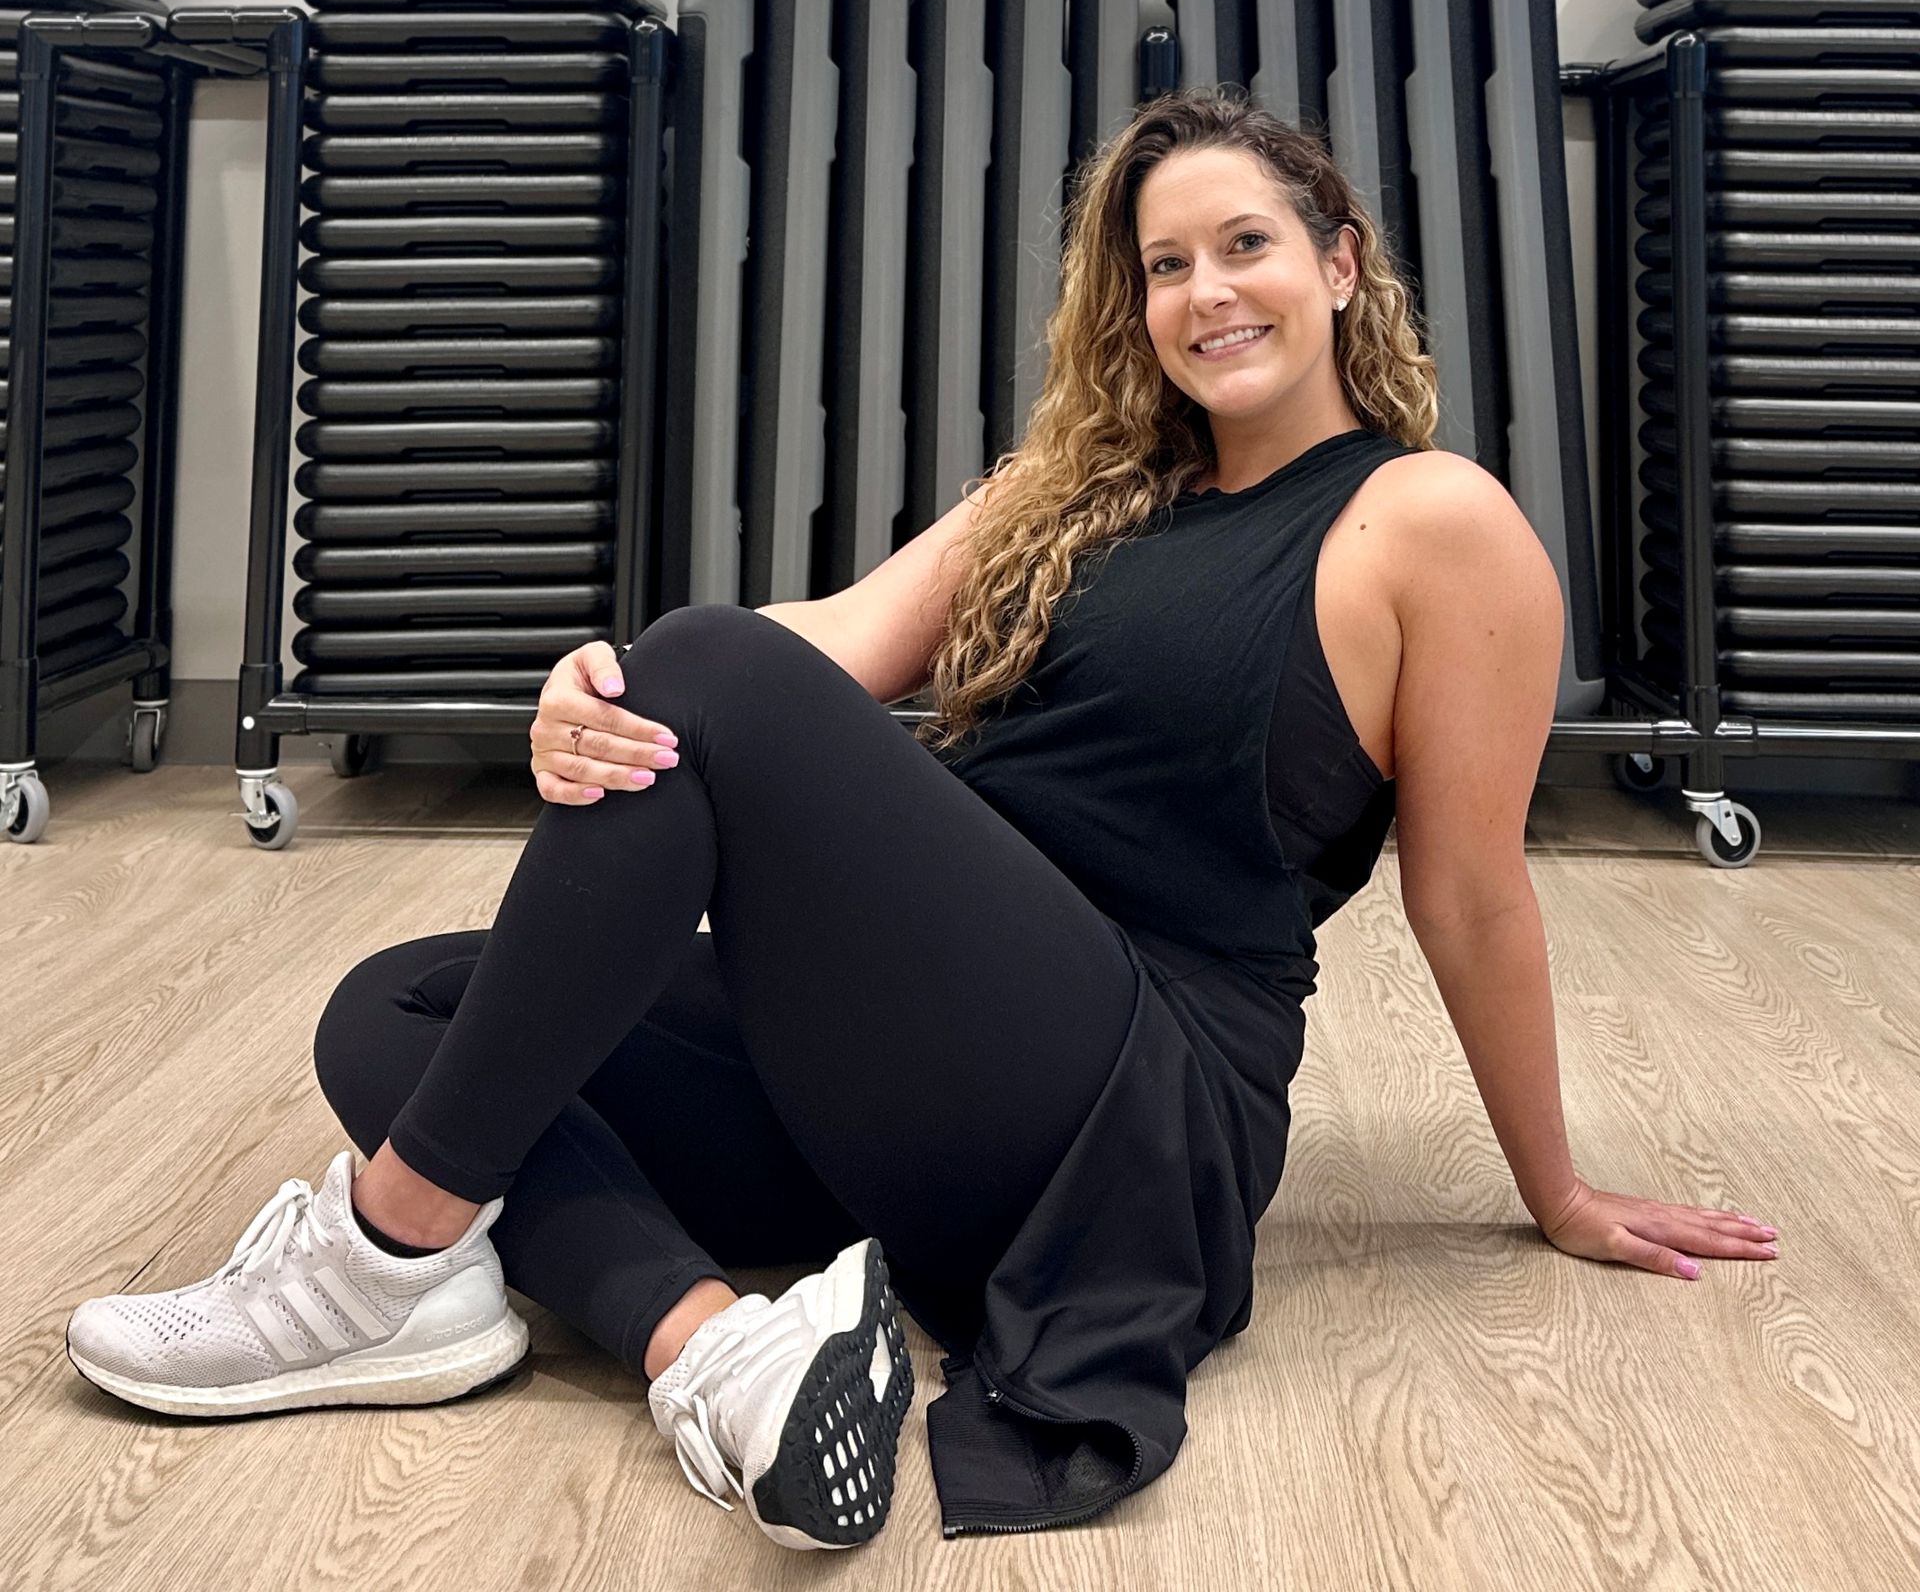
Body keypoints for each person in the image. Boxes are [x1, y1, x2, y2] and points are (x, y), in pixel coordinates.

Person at [65, 91, 1778, 1549]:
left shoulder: (1433, 521)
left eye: (1245, 244)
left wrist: (1555, 1187)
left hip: (1123, 1085)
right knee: (399, 1010)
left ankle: (378, 1261)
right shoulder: (1077, 488)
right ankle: (711, 1349)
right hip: (916, 1058)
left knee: (695, 677)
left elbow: (1469, 893)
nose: (1204, 292)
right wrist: (597, 692)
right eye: (1162, 265)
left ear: (1340, 264)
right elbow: (826, 642)